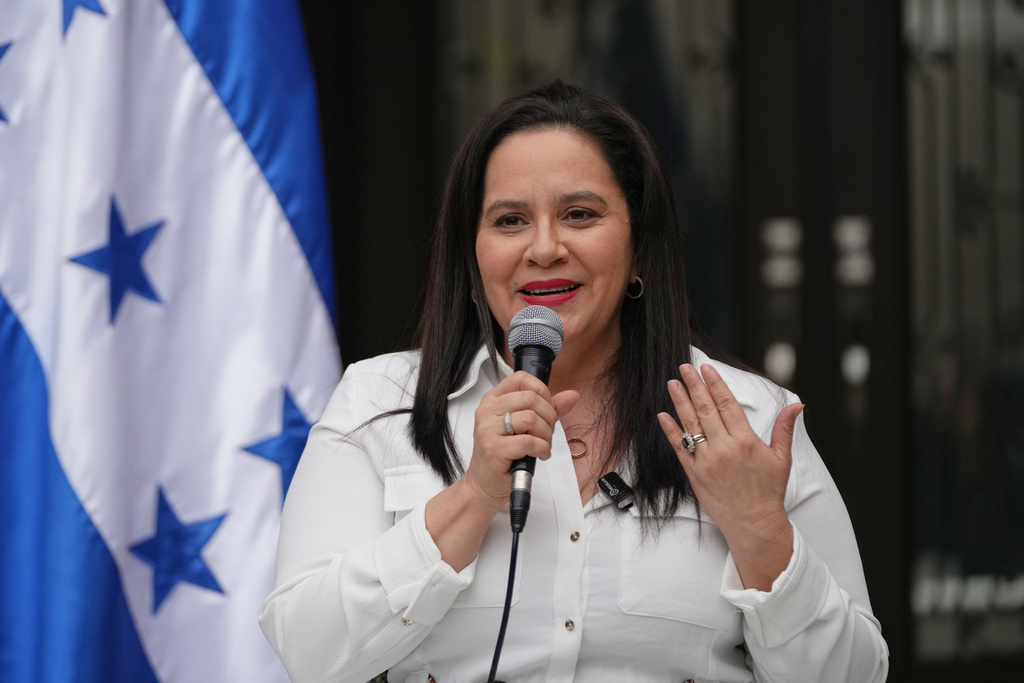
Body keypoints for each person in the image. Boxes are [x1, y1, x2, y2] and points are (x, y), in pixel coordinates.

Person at [258, 81, 889, 683]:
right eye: (509, 221)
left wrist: (760, 534)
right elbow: (308, 653)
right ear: (473, 254)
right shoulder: (380, 403)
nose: (544, 247)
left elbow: (854, 675)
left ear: (640, 246)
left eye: (580, 214)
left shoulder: (745, 417)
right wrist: (473, 495)